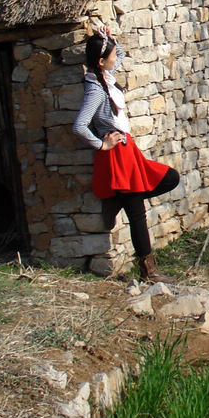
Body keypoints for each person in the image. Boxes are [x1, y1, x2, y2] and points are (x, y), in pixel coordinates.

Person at [73, 28, 180, 282]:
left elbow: (118, 54)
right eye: (109, 56)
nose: (115, 59)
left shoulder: (105, 76)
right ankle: (148, 272)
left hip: (128, 152)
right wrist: (102, 145)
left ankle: (117, 201)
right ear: (101, 62)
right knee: (138, 214)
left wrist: (109, 39)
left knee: (170, 178)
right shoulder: (96, 89)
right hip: (116, 156)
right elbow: (79, 125)